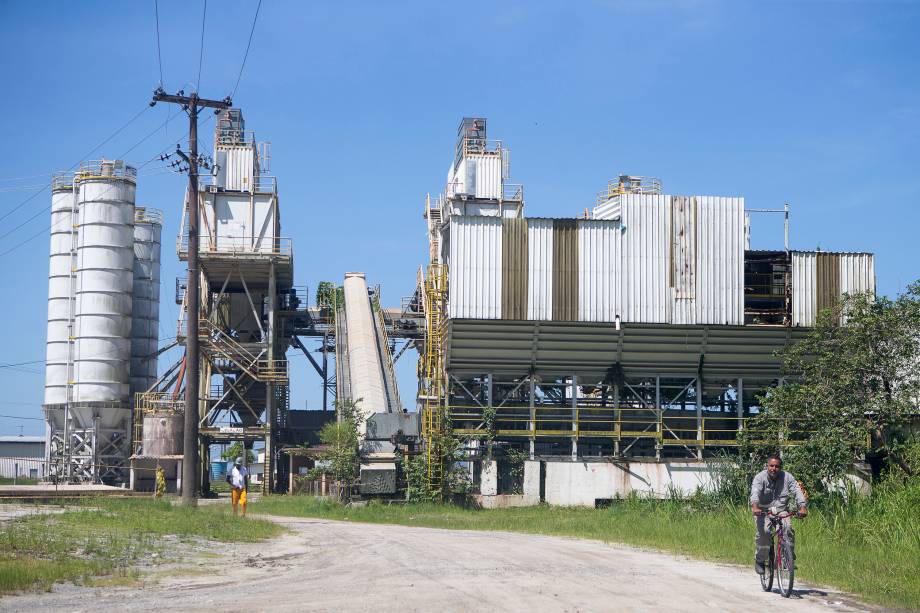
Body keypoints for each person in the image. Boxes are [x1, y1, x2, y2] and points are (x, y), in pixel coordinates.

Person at [750, 453, 807, 574]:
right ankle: (760, 560)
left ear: (780, 467)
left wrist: (802, 507)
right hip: (763, 511)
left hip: (781, 510)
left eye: (776, 466)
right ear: (767, 466)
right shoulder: (760, 478)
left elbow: (797, 490)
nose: (773, 469)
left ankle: (787, 559)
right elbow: (755, 492)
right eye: (771, 466)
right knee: (764, 533)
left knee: (788, 529)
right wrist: (755, 507)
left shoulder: (787, 477)